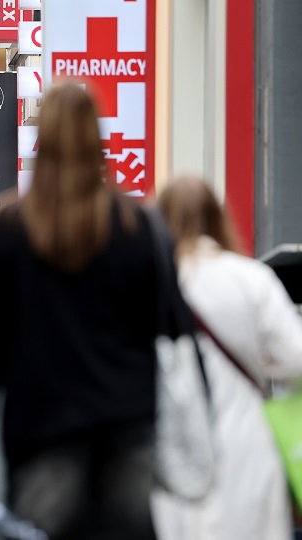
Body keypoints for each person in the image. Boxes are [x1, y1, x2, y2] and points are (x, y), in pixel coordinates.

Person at [0, 83, 170, 540]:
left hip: (42, 430)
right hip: (127, 430)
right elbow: (164, 325)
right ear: (98, 139)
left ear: (43, 141)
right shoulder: (138, 228)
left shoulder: (4, 234)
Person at [152, 176, 302, 540]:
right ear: (218, 217)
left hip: (171, 448)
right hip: (245, 443)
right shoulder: (251, 278)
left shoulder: (148, 282)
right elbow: (296, 361)